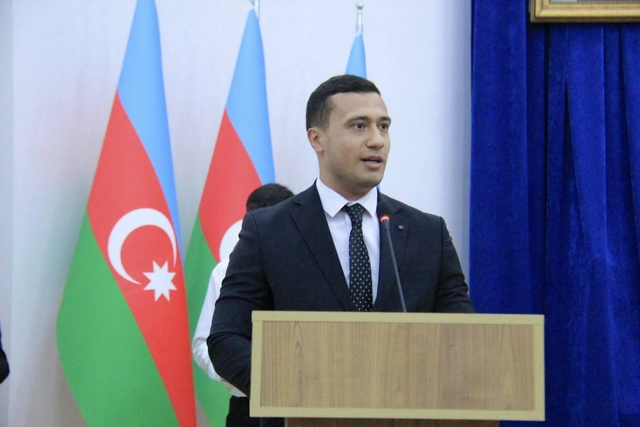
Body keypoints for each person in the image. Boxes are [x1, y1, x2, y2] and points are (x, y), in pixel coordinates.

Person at [208, 75, 475, 423]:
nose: (377, 140)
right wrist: (293, 392)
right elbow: (226, 338)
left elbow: (461, 338)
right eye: (359, 126)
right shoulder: (267, 230)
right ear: (317, 139)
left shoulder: (428, 233)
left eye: (384, 126)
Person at [192, 183, 294, 427]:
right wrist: (236, 372)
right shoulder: (226, 271)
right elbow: (203, 344)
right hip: (246, 405)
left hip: (306, 407)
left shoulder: (313, 267)